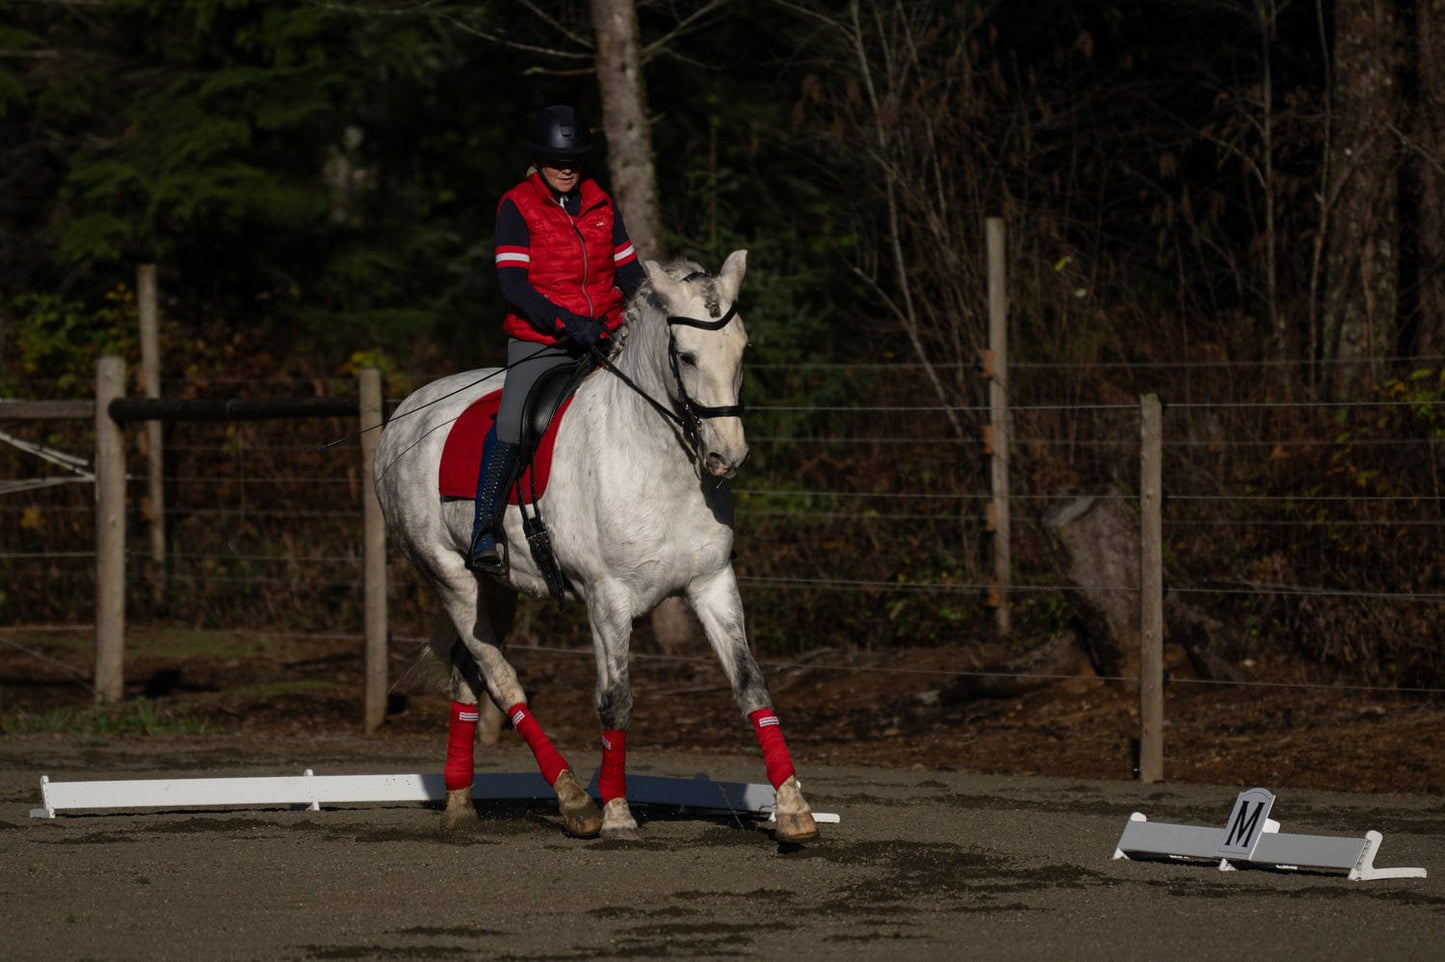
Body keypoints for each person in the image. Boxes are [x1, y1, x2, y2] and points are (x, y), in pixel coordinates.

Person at [469, 104, 647, 574]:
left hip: (608, 333)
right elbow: (513, 285)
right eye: (554, 160)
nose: (565, 168)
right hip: (541, 338)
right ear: (538, 159)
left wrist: (650, 310)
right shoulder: (516, 205)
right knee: (511, 421)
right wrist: (567, 322)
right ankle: (485, 528)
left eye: (572, 160)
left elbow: (628, 272)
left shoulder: (602, 203)